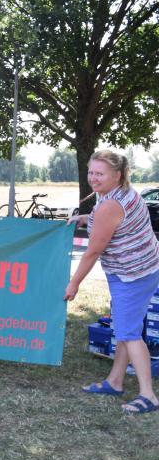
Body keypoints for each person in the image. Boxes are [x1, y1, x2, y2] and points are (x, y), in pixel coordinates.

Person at [65, 150, 159, 414]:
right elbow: (110, 221)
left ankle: (148, 395)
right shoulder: (124, 193)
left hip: (131, 275)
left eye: (100, 173)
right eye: (91, 172)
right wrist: (85, 218)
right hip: (144, 269)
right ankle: (115, 381)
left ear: (117, 175)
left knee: (129, 334)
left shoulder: (110, 204)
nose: (93, 178)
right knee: (126, 328)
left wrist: (74, 283)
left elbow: (93, 251)